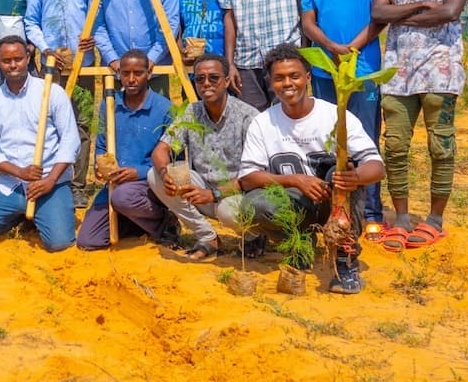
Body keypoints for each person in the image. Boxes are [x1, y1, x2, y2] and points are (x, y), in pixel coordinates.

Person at [236, 44, 385, 294]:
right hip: (296, 204)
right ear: (270, 83)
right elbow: (249, 177)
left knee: (340, 175)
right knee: (254, 204)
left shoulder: (334, 116)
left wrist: (355, 177)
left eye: (294, 76)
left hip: (334, 201)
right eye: (279, 78)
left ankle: (344, 261)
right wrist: (295, 180)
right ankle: (299, 245)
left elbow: (376, 166)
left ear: (307, 77)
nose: (287, 83)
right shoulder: (262, 122)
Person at [371, 0, 468, 251]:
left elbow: (449, 12)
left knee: (440, 148)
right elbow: (379, 14)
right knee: (395, 148)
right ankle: (400, 219)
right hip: (397, 77)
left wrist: (402, 13)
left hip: (440, 75)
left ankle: (435, 220)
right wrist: (422, 5)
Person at [301, 0, 387, 232]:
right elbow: (308, 21)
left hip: (363, 71)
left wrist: (352, 46)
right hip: (326, 72)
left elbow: (379, 17)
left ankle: (372, 213)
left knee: (365, 140)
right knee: (328, 141)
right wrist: (331, 47)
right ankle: (334, 208)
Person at [0, 36, 79, 251]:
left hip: (49, 184)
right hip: (11, 185)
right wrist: (21, 172)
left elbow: (71, 141)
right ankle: (19, 215)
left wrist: (50, 179)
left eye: (18, 58)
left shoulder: (52, 93)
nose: (13, 65)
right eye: (7, 60)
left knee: (59, 243)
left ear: (28, 58)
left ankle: (47, 211)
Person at [148, 54, 259, 260]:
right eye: (200, 79)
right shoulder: (192, 111)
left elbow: (254, 176)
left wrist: (214, 194)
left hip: (237, 193)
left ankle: (254, 236)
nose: (206, 83)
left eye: (213, 78)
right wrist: (166, 176)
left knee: (229, 211)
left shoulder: (247, 116)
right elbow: (161, 150)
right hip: (202, 190)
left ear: (227, 81)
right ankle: (207, 236)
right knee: (153, 175)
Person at [24, 0, 97, 206]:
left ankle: (78, 185)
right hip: (51, 68)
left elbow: (95, 19)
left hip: (84, 66)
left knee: (81, 125)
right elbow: (31, 21)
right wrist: (47, 49)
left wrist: (90, 40)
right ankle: (54, 182)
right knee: (50, 124)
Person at [77, 49, 175, 250]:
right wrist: (100, 164)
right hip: (115, 185)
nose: (131, 79)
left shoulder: (165, 109)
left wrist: (137, 172)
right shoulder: (109, 104)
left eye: (138, 73)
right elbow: (103, 144)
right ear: (118, 74)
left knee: (122, 198)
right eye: (125, 73)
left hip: (149, 184)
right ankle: (135, 221)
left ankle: (165, 222)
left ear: (149, 73)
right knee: (88, 241)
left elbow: (172, 159)